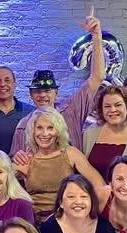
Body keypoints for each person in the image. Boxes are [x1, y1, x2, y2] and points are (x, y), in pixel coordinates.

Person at [10, 11, 105, 155]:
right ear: (31, 95)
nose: (43, 95)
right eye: (38, 91)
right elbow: (14, 163)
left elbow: (97, 77)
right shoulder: (23, 126)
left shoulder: (72, 110)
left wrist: (96, 36)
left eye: (48, 91)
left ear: (56, 93)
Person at [12, 108, 105, 225]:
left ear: (58, 132)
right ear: (33, 131)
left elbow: (100, 185)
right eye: (39, 128)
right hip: (35, 222)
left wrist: (89, 212)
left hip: (68, 217)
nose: (44, 133)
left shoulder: (70, 153)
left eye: (50, 128)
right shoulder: (26, 159)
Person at [82, 85, 127, 178]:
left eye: (118, 105)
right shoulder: (90, 132)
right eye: (107, 106)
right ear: (101, 109)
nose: (112, 110)